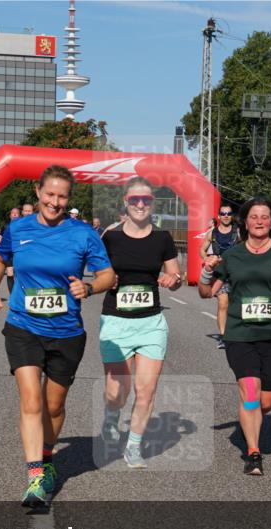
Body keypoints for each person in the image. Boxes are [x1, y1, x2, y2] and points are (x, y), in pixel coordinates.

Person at [0, 165, 115, 507]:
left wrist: (88, 287)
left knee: (54, 407)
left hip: (67, 332)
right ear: (38, 193)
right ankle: (34, 477)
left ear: (68, 199)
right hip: (23, 326)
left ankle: (46, 455)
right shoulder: (19, 228)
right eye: (49, 194)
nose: (55, 202)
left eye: (62, 196)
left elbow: (107, 276)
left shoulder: (83, 234)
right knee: (31, 400)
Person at [198, 196, 271, 476]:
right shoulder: (233, 254)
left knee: (265, 401)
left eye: (264, 217)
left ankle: (253, 418)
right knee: (249, 393)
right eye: (253, 217)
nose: (259, 221)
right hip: (240, 334)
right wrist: (206, 271)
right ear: (245, 222)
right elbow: (206, 292)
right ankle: (253, 452)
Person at [99, 177, 181, 468]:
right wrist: (105, 278)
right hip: (116, 322)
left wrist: (173, 280)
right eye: (135, 199)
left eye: (146, 199)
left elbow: (175, 276)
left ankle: (133, 446)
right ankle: (111, 418)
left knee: (145, 391)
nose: (140, 204)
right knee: (115, 392)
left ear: (152, 203)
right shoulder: (110, 237)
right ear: (126, 202)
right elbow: (94, 270)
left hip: (150, 324)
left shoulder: (162, 238)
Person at [198, 204, 238, 349]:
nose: (226, 216)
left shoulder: (238, 233)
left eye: (228, 213)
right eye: (223, 213)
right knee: (223, 303)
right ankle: (223, 336)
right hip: (219, 273)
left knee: (236, 304)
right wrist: (207, 260)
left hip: (236, 273)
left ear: (232, 215)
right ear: (219, 216)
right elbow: (202, 250)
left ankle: (236, 333)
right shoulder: (212, 233)